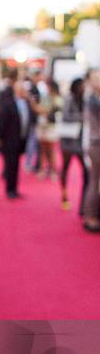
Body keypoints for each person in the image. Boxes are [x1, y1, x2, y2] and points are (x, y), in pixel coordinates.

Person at [0, 79, 31, 198]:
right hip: (10, 139)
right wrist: (0, 137)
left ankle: (14, 189)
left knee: (16, 165)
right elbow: (2, 121)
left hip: (22, 138)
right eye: (21, 88)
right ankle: (10, 189)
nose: (24, 91)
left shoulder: (26, 103)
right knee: (10, 165)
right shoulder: (8, 103)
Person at [59, 78, 88, 213]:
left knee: (86, 171)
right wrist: (82, 117)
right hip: (69, 140)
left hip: (81, 141)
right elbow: (65, 116)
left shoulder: (86, 99)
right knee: (65, 167)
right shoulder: (69, 99)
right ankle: (64, 195)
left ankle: (84, 202)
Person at [82, 69, 100, 232]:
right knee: (94, 182)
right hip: (97, 144)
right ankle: (91, 217)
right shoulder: (93, 100)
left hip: (95, 143)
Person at [36, 80, 62, 180]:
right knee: (43, 149)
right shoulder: (45, 97)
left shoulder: (57, 99)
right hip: (43, 125)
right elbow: (41, 109)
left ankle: (53, 170)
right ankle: (43, 169)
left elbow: (47, 110)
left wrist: (41, 109)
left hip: (52, 126)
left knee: (51, 149)